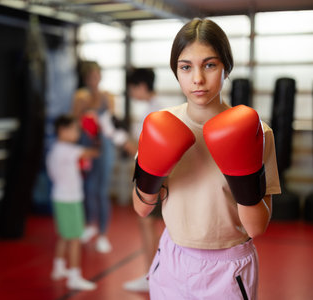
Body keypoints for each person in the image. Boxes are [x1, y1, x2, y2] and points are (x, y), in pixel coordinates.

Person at [132, 18, 281, 299]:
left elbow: (256, 226)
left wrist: (242, 174)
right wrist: (150, 175)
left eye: (209, 65)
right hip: (172, 259)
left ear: (226, 66)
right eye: (186, 67)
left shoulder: (258, 133)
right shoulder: (158, 127)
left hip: (228, 269)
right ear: (176, 71)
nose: (197, 79)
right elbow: (141, 208)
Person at [72, 61, 135, 253]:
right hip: (86, 146)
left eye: (97, 75)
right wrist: (82, 109)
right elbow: (74, 122)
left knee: (102, 189)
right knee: (87, 187)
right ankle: (90, 224)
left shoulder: (107, 97)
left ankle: (102, 233)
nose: (94, 79)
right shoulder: (79, 97)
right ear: (85, 78)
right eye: (91, 76)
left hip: (105, 147)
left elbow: (111, 123)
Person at [123, 68, 164, 292]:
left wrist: (120, 140)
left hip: (153, 176)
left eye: (132, 89)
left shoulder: (153, 111)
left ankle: (152, 277)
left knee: (147, 223)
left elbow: (143, 151)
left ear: (140, 86)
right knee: (151, 225)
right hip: (154, 175)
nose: (131, 93)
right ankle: (154, 275)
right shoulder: (158, 107)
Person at [46, 114, 99, 290]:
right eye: (75, 129)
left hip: (61, 197)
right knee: (75, 238)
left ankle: (59, 267)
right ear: (63, 130)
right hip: (69, 199)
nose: (77, 133)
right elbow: (91, 153)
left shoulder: (55, 149)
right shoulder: (66, 150)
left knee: (65, 235)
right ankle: (74, 277)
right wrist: (96, 133)